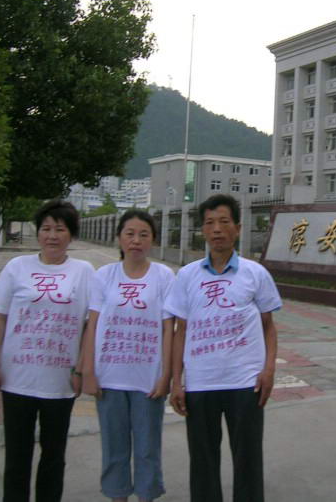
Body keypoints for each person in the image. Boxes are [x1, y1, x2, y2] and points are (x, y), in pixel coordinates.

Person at [168, 194, 282, 502]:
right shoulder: (187, 275)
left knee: (248, 459)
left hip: (245, 383)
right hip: (200, 383)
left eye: (224, 222)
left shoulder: (255, 273)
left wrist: (269, 370)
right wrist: (177, 382)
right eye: (209, 223)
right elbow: (181, 331)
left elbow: (268, 327)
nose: (217, 229)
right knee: (202, 462)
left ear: (237, 228)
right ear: (202, 230)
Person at [0, 199, 94, 502]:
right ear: (38, 232)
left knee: (53, 457)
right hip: (17, 379)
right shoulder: (17, 267)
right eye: (46, 228)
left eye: (60, 229)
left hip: (60, 382)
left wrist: (81, 369)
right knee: (16, 457)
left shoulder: (84, 271)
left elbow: (90, 325)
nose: (52, 236)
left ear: (71, 234)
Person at [82, 209, 175, 502]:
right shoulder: (104, 275)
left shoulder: (163, 275)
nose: (136, 240)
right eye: (130, 234)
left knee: (148, 448)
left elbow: (168, 328)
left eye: (143, 234)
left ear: (153, 240)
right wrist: (88, 371)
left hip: (148, 380)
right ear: (119, 238)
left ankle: (147, 495)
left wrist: (166, 376)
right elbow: (93, 324)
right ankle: (117, 495)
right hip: (109, 378)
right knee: (114, 447)